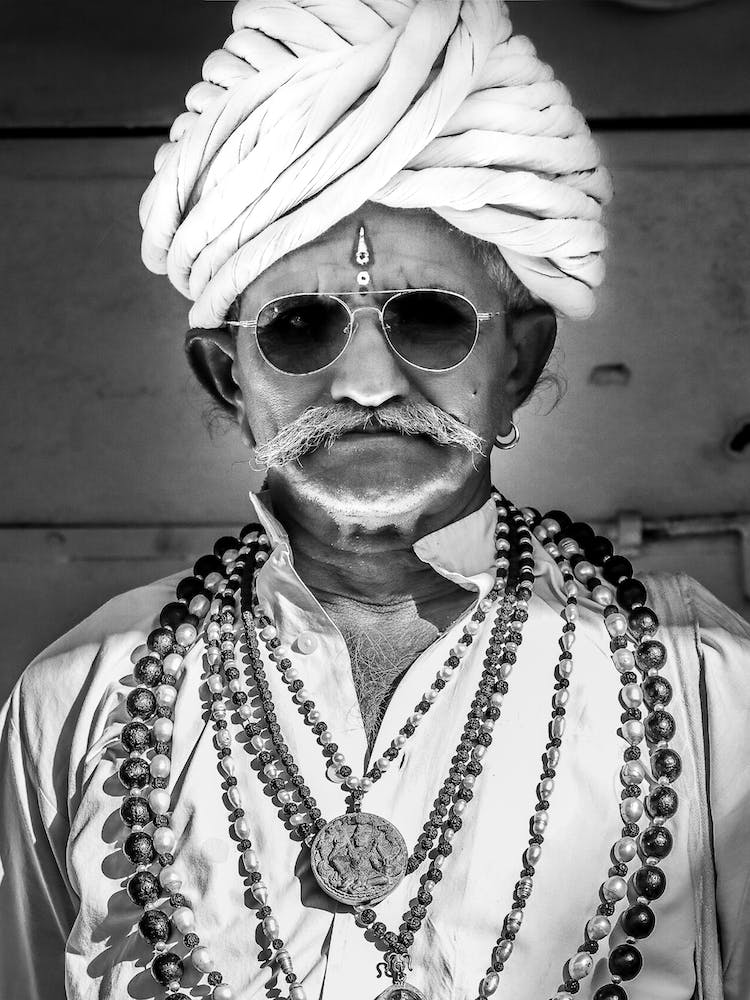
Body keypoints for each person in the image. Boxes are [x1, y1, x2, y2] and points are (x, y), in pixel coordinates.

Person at [0, 2, 748, 999]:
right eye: (299, 327)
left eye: (429, 320)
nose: (364, 383)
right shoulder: (81, 701)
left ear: (517, 361)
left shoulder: (708, 692)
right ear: (228, 377)